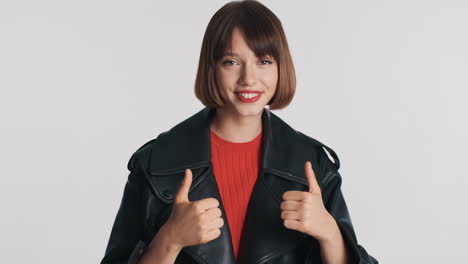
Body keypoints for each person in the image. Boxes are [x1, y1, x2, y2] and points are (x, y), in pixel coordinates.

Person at [100, 1, 378, 263]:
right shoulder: (156, 163)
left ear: (282, 69)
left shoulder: (312, 164)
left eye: (264, 61)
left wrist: (329, 233)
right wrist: (169, 240)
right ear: (212, 69)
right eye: (231, 62)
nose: (248, 78)